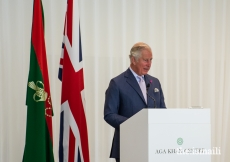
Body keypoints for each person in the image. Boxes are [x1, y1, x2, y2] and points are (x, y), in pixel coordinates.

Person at [104, 42, 166, 162]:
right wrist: (134, 124)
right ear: (133, 60)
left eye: (151, 60)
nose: (149, 64)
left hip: (153, 147)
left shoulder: (155, 82)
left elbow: (162, 110)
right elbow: (109, 115)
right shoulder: (117, 83)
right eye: (145, 60)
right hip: (128, 145)